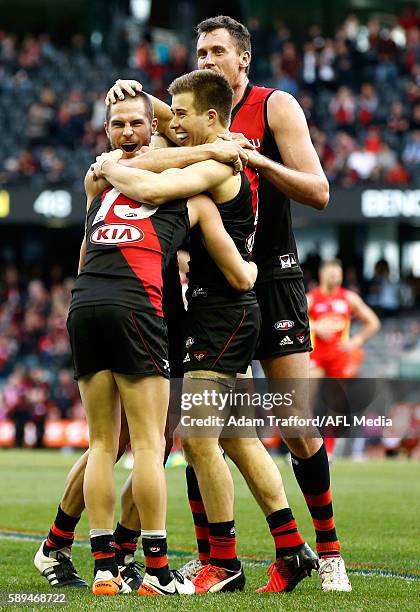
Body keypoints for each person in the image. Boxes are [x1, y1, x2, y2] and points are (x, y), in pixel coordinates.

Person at [105, 15, 352, 593]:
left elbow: (319, 192)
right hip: (217, 287)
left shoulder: (275, 106)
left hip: (272, 278)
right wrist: (128, 92)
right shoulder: (195, 109)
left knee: (293, 423)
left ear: (244, 59)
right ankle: (237, 554)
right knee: (210, 426)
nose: (209, 58)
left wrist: (257, 161)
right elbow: (148, 118)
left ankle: (329, 551)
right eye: (201, 50)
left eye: (218, 50)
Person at [35, 89, 257, 597]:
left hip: (93, 303)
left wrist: (175, 132)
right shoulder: (179, 191)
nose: (134, 134)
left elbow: (147, 160)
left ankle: (103, 563)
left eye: (143, 124)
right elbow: (237, 271)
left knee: (108, 444)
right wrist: (213, 149)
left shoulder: (105, 177)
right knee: (148, 446)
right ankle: (146, 565)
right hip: (142, 311)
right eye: (121, 126)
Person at [307, 259, 381, 456]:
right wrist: (315, 326)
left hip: (339, 356)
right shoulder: (312, 298)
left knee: (335, 405)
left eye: (338, 274)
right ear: (322, 274)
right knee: (306, 402)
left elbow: (373, 322)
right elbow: (294, 319)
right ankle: (302, 450)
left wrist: (356, 340)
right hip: (316, 356)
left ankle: (328, 451)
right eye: (332, 273)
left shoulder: (348, 298)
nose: (336, 277)